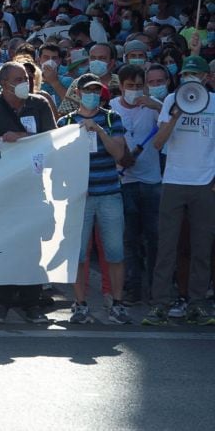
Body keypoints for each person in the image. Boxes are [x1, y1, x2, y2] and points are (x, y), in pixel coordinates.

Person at [0, 61, 56, 324]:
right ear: (4, 82)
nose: (24, 83)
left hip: (31, 187)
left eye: (26, 78)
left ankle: (32, 302)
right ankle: (0, 302)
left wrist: (22, 137)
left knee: (32, 247)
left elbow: (52, 140)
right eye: (18, 79)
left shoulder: (39, 105)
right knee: (1, 245)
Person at [144, 56, 215, 326]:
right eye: (186, 75)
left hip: (205, 183)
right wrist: (177, 114)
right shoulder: (173, 100)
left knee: (201, 246)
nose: (190, 80)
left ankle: (197, 304)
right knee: (167, 246)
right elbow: (158, 144)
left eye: (196, 75)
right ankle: (159, 305)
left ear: (206, 78)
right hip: (174, 181)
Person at [56, 74, 131, 324]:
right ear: (77, 92)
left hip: (109, 194)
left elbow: (119, 154)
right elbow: (59, 161)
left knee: (115, 252)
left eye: (97, 91)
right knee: (77, 254)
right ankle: (80, 304)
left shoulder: (112, 118)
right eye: (88, 90)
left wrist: (98, 130)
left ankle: (117, 303)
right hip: (79, 197)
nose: (93, 94)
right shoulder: (65, 121)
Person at [109, 64, 163, 305]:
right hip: (124, 181)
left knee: (154, 237)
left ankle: (155, 287)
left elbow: (174, 122)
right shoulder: (111, 109)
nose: (134, 90)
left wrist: (158, 107)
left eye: (138, 86)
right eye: (129, 86)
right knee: (129, 239)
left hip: (152, 181)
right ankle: (133, 287)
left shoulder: (153, 108)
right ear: (120, 86)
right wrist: (122, 157)